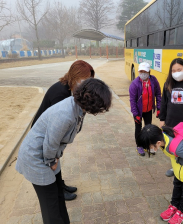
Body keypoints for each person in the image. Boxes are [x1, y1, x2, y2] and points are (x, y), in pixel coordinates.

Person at [16, 78, 112, 224]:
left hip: (50, 154)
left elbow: (60, 140)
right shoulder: (65, 114)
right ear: (92, 101)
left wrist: (56, 157)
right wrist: (52, 161)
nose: (100, 111)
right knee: (51, 206)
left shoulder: (79, 108)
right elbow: (50, 143)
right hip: (36, 157)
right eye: (101, 107)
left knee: (58, 196)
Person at [31, 60, 94, 201]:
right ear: (75, 77)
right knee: (51, 162)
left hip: (50, 132)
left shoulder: (69, 89)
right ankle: (59, 191)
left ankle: (61, 185)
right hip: (42, 135)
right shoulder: (61, 94)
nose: (86, 84)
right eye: (84, 80)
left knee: (56, 160)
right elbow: (56, 128)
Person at [137, 124, 183, 224]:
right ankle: (174, 205)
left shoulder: (177, 148)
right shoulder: (163, 137)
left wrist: (179, 160)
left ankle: (182, 212)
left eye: (148, 147)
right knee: (177, 187)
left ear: (158, 143)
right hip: (178, 171)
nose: (147, 150)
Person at [129, 62, 161, 156]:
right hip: (139, 111)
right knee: (138, 129)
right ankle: (139, 146)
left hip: (148, 110)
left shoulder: (153, 80)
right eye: (141, 71)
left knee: (148, 129)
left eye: (145, 71)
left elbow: (158, 94)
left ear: (149, 72)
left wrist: (159, 108)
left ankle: (148, 145)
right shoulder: (135, 84)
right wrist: (135, 114)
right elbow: (132, 101)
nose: (143, 73)